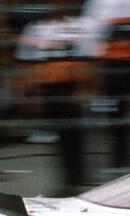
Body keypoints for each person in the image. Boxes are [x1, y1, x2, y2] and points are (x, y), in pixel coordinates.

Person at [16, 4, 95, 195]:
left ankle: (79, 178)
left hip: (71, 90)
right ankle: (69, 180)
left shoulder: (79, 27)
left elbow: (87, 60)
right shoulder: (35, 30)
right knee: (59, 138)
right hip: (48, 91)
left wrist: (86, 89)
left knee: (75, 137)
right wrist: (31, 94)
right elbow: (27, 64)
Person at [81, 0, 130, 171]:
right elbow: (92, 32)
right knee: (118, 111)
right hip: (114, 63)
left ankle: (122, 159)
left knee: (123, 111)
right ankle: (120, 158)